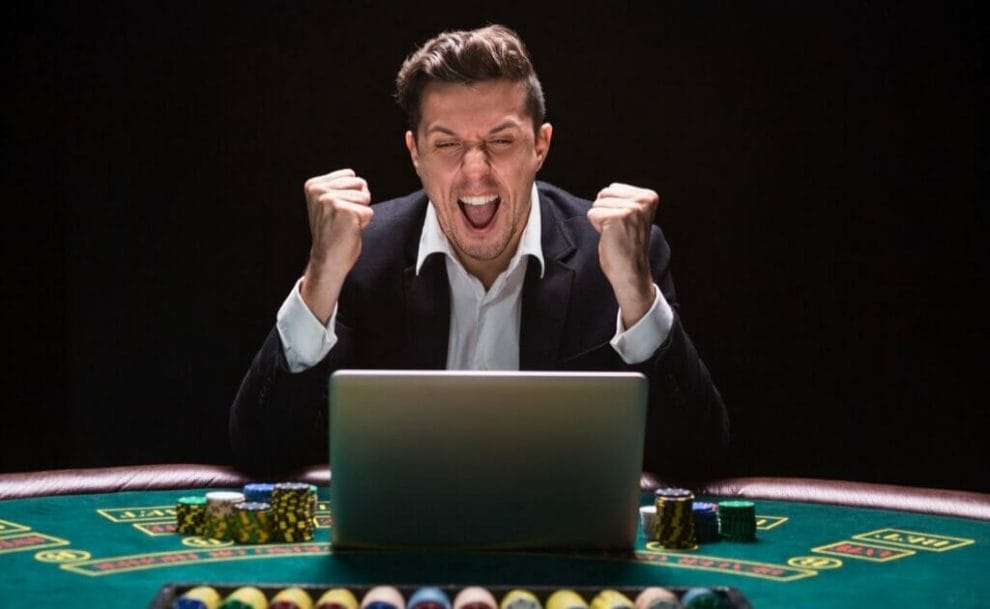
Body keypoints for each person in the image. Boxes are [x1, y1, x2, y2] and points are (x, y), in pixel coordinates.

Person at [230, 24, 728, 479]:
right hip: (399, 557)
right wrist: (319, 280)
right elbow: (260, 452)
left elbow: (696, 458)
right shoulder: (358, 254)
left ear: (540, 146)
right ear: (415, 154)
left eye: (501, 140)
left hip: (566, 560)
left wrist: (637, 297)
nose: (475, 171)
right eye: (447, 145)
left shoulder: (620, 254)